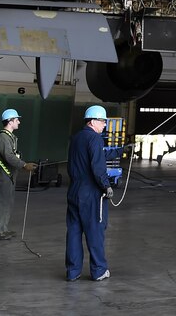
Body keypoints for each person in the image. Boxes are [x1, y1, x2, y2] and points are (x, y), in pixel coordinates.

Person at [66, 105, 113, 282]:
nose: (104, 125)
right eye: (102, 121)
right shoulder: (95, 139)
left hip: (74, 191)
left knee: (74, 232)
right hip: (91, 193)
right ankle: (99, 270)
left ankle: (72, 271)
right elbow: (97, 167)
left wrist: (122, 150)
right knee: (95, 231)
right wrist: (106, 186)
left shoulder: (76, 138)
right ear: (93, 121)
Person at [0, 108, 37, 240]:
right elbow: (8, 156)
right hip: (1, 174)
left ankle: (2, 229)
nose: (19, 122)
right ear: (10, 121)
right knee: (0, 202)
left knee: (6, 201)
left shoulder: (9, 137)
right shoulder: (3, 138)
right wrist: (24, 165)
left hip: (7, 174)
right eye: (17, 120)